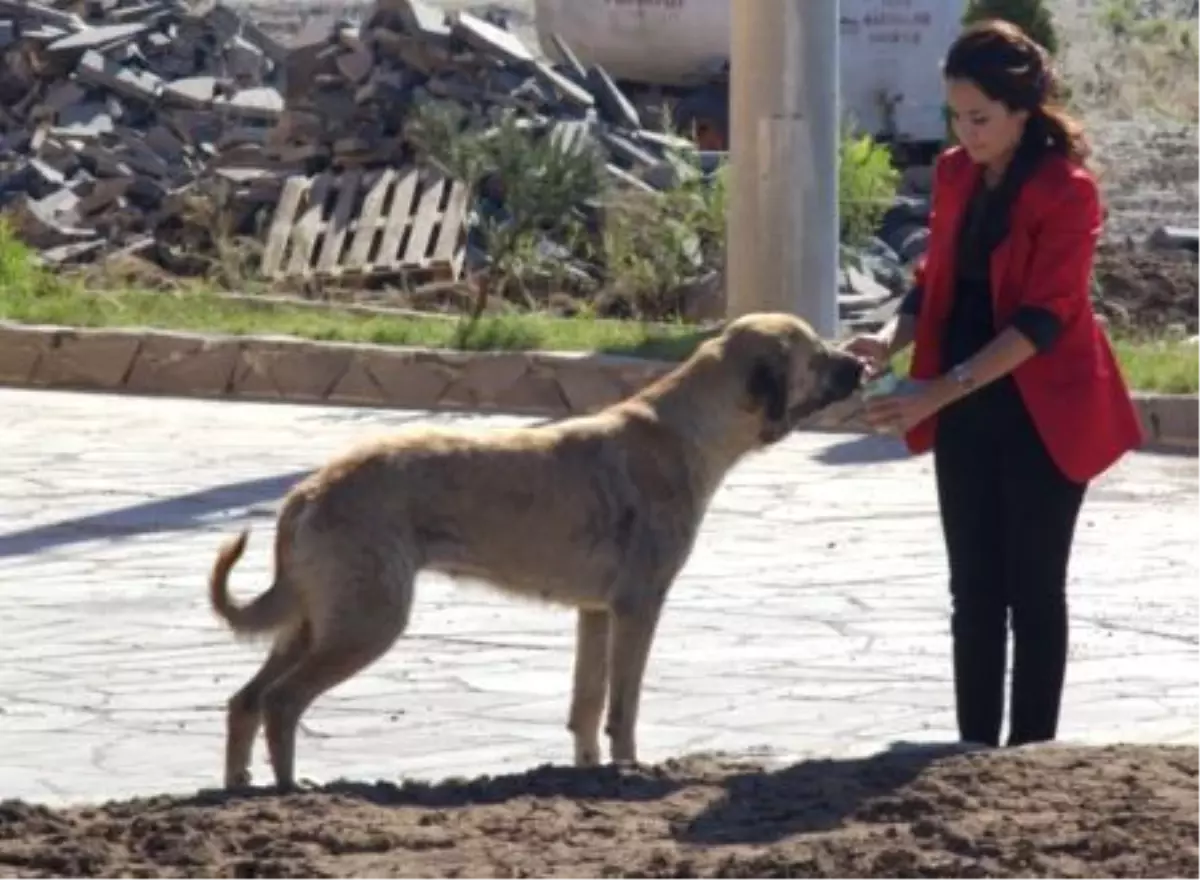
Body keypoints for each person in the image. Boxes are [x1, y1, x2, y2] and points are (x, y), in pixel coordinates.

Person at [844, 18, 1144, 749]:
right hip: (967, 403)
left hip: (1046, 412)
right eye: (955, 115)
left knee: (1033, 593)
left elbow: (1045, 321)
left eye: (980, 118)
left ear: (1022, 110)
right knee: (972, 592)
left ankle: (1032, 756)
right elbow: (934, 279)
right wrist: (890, 338)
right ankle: (973, 752)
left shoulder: (1068, 191)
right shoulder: (954, 172)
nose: (964, 132)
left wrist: (938, 389)